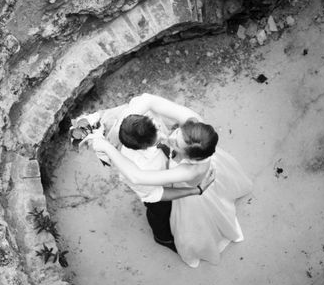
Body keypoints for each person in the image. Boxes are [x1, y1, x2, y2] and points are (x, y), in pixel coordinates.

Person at [86, 93, 252, 268]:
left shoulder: (189, 170)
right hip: (195, 169)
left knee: (173, 218)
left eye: (177, 145)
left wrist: (105, 146)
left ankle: (163, 238)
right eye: (178, 132)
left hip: (187, 194)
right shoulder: (194, 123)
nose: (169, 137)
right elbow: (147, 99)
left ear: (189, 157)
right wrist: (123, 126)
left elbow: (137, 176)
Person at [73, 103, 214, 252]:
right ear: (144, 146)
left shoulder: (150, 124)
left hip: (179, 177)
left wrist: (110, 127)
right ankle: (162, 237)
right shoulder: (138, 165)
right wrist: (196, 191)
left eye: (177, 136)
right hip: (159, 194)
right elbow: (153, 193)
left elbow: (146, 99)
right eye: (159, 134)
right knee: (160, 213)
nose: (168, 136)